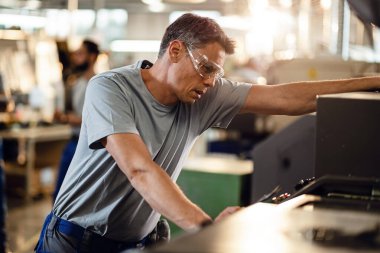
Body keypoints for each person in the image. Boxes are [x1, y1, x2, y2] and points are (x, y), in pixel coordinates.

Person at [36, 13, 380, 253]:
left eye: (217, 73)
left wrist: (374, 82)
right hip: (74, 241)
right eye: (206, 68)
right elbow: (139, 170)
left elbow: (287, 96)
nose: (211, 82)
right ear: (174, 51)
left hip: (139, 241)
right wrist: (206, 226)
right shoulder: (109, 89)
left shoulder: (205, 95)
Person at [52, 39, 99, 201]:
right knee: (60, 192)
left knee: (81, 196)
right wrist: (61, 116)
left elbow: (97, 118)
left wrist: (72, 119)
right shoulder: (75, 84)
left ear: (92, 57)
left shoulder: (100, 85)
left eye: (80, 54)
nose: (75, 58)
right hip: (72, 142)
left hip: (90, 147)